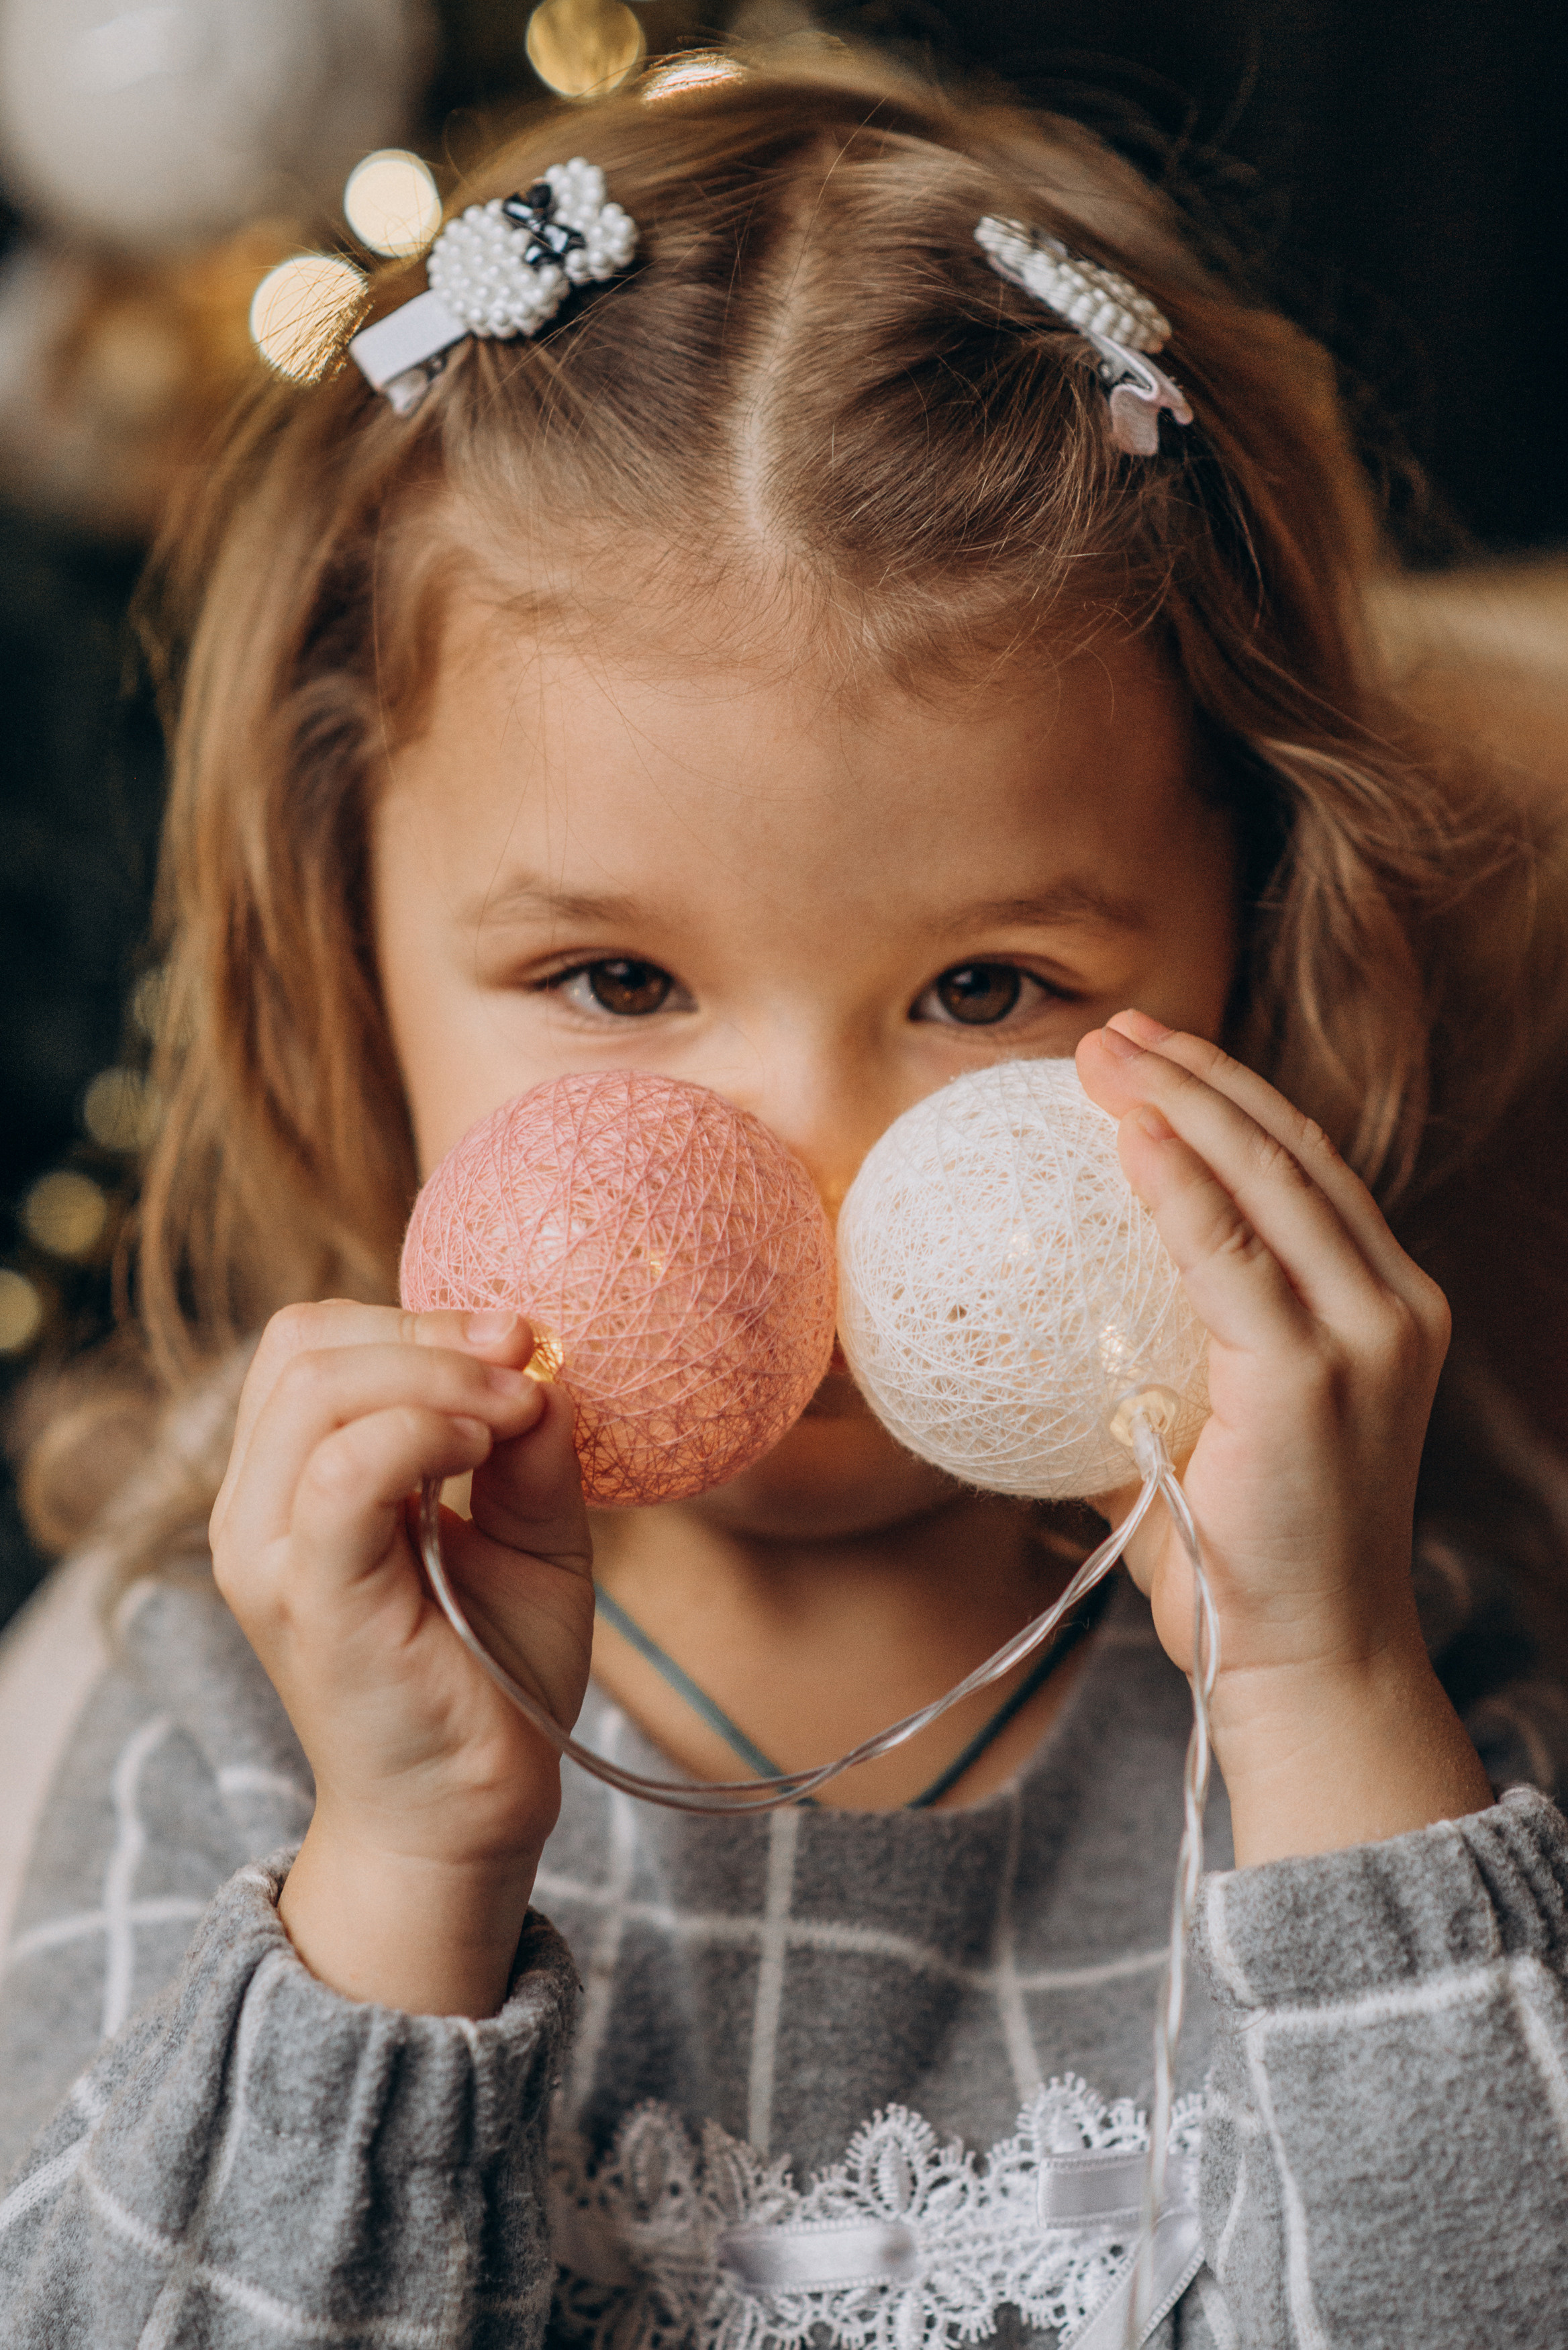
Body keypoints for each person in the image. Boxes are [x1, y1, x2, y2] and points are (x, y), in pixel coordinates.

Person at [3, 48, 1567, 2350]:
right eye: (618, 981)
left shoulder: (1397, 1669)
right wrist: (402, 1879)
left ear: (1253, 945)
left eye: (985, 986)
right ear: (347, 959)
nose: (809, 1178)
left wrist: (1325, 1702)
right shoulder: (247, 1708)